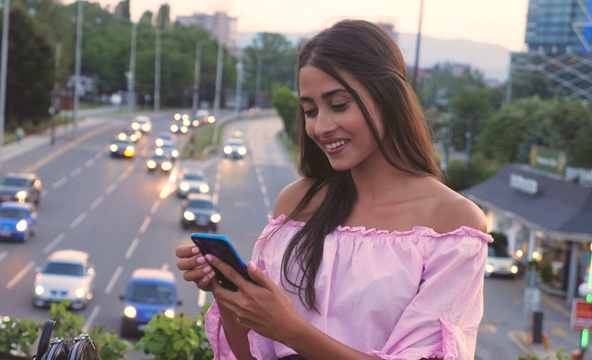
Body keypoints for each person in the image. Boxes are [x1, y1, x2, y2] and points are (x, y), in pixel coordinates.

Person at [176, 19, 491, 360]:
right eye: (310, 110)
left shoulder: (452, 223)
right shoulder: (297, 203)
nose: (321, 127)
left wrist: (291, 330)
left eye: (339, 105)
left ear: (389, 98)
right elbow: (252, 354)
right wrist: (227, 291)